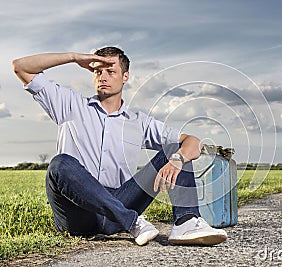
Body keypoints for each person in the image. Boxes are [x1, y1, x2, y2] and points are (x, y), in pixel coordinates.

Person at [12, 46, 227, 246]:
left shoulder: (139, 122)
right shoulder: (69, 104)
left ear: (125, 77)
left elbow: (193, 142)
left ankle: (186, 223)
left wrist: (177, 160)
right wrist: (74, 57)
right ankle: (132, 221)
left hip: (121, 202)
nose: (103, 76)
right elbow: (20, 66)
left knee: (175, 148)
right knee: (59, 164)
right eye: (98, 71)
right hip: (78, 215)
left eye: (110, 71)